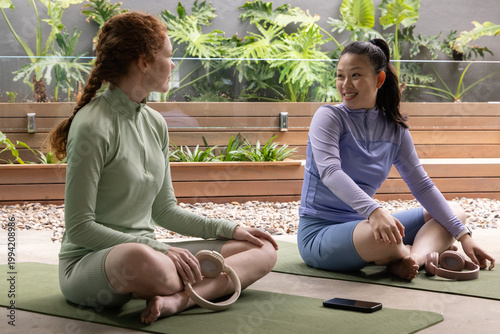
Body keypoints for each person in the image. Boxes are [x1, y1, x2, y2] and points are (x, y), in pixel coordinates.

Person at [49, 12, 278, 324]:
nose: (173, 65)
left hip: (156, 256)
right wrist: (159, 248)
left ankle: (179, 301)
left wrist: (231, 229)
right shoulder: (91, 125)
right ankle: (197, 286)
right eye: (168, 56)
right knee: (140, 258)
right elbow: (79, 228)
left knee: (262, 247)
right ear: (144, 62)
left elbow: (165, 211)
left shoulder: (155, 123)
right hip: (93, 263)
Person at [298, 39, 495, 281]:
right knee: (381, 238)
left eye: (356, 75)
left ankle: (414, 260)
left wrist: (464, 237)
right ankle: (410, 252)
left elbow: (421, 185)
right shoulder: (328, 117)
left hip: (367, 224)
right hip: (321, 233)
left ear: (379, 80)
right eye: (340, 76)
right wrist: (374, 211)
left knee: (455, 213)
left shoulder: (395, 128)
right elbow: (330, 171)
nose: (345, 85)